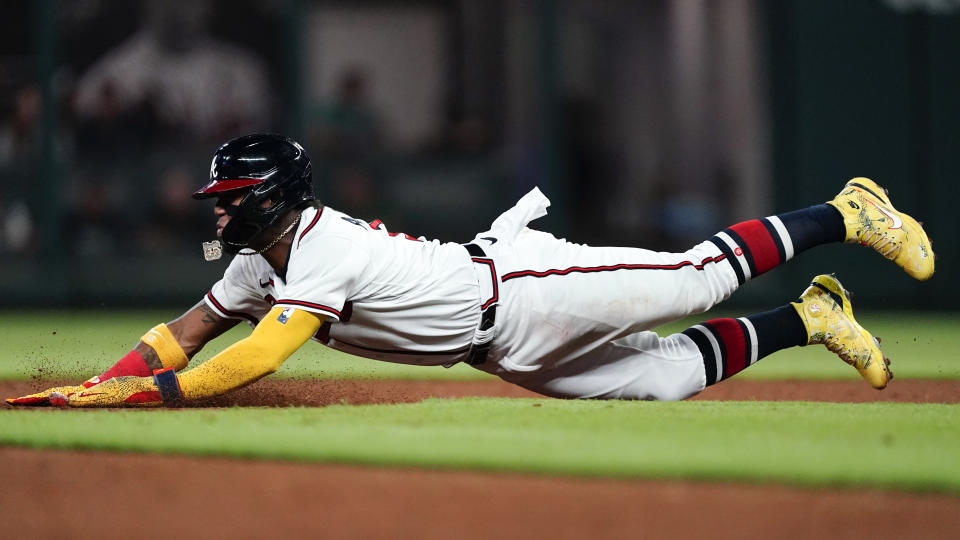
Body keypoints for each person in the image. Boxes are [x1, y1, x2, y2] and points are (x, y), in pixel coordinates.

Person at [7, 133, 934, 407]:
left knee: (696, 276)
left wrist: (149, 401)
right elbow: (186, 334)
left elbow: (257, 360)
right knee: (658, 383)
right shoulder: (255, 264)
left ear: (269, 195)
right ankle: (811, 319)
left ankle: (847, 212)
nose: (215, 206)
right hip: (495, 350)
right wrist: (103, 380)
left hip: (521, 285)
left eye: (229, 194)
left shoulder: (320, 245)